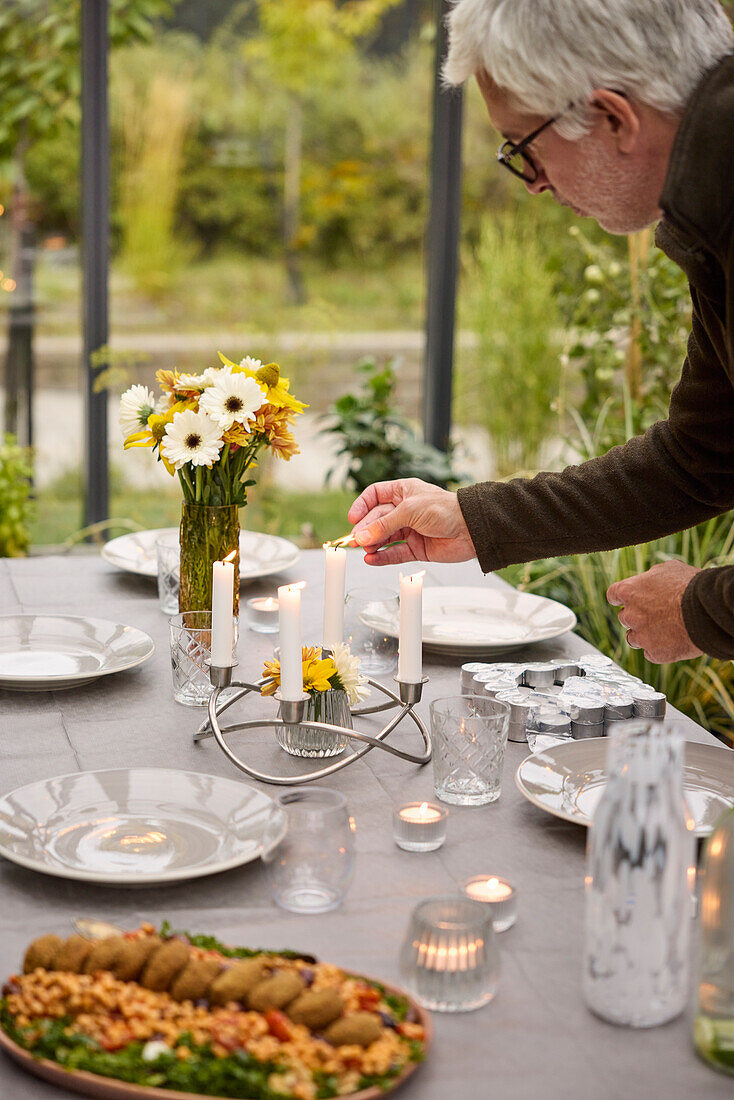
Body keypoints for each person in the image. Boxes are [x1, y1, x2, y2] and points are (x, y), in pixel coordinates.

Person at [347, 0, 734, 665]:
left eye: (524, 148)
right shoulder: (710, 207)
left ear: (613, 118)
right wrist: (476, 518)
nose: (534, 184)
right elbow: (703, 456)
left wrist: (702, 610)